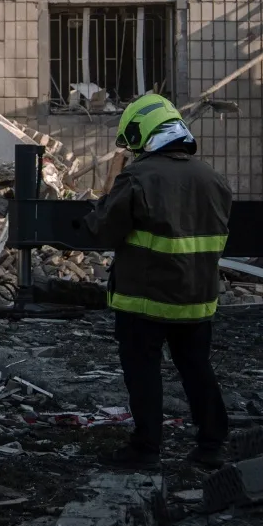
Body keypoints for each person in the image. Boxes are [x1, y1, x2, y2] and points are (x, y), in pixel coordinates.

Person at [82, 94, 232, 470]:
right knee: (196, 368)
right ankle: (212, 444)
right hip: (197, 299)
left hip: (144, 300)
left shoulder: (138, 177)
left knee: (143, 372)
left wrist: (99, 206)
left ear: (143, 134)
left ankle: (146, 448)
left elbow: (104, 231)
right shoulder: (213, 179)